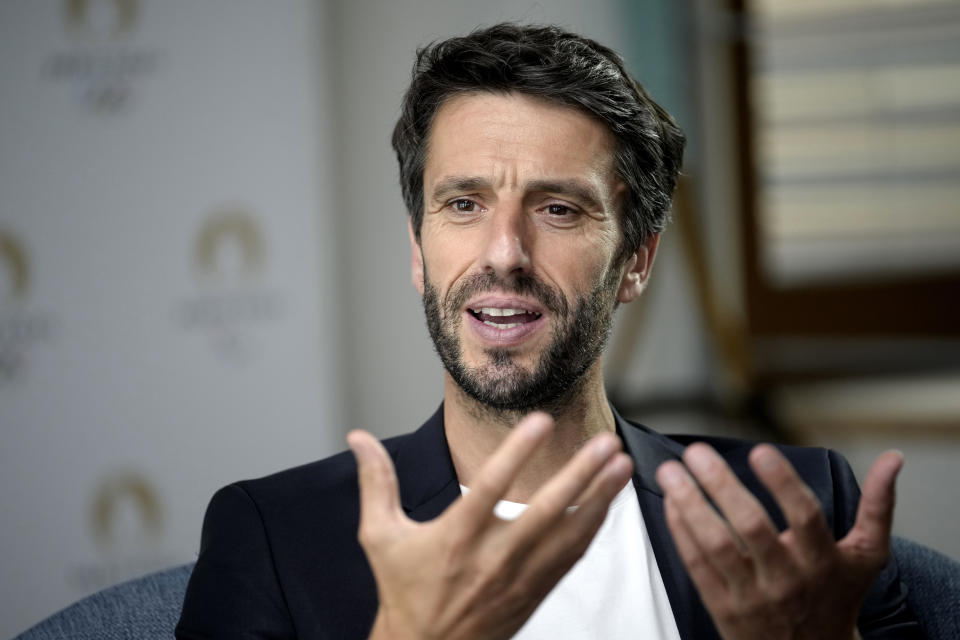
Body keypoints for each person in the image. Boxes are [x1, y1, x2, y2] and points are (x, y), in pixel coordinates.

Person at [176, 23, 919, 639]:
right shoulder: (274, 538)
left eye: (558, 209)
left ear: (635, 261)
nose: (504, 253)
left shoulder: (794, 515)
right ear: (416, 248)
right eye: (463, 205)